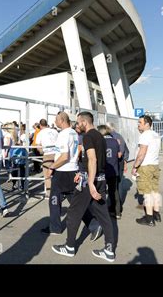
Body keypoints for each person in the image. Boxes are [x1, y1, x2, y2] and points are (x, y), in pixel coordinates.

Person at [52, 112, 115, 262]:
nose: (76, 125)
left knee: (73, 212)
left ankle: (69, 247)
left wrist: (90, 182)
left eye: (78, 122)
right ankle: (109, 250)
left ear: (84, 122)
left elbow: (92, 160)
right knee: (104, 216)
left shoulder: (88, 136)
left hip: (90, 182)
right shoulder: (101, 136)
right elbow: (94, 161)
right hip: (99, 179)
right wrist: (82, 173)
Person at [132, 115, 161, 226]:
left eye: (140, 122)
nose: (138, 125)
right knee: (155, 191)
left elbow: (142, 153)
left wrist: (135, 166)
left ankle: (149, 218)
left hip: (145, 166)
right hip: (155, 165)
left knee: (147, 193)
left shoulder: (145, 135)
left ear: (147, 124)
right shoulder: (155, 135)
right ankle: (156, 214)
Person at [98, 125, 122, 219]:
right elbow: (119, 154)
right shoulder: (115, 141)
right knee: (114, 192)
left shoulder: (101, 141)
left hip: (103, 170)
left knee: (102, 191)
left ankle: (102, 212)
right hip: (114, 170)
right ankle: (117, 212)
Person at [35, 119, 58, 199]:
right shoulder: (54, 131)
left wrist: (41, 152)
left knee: (47, 175)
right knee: (57, 174)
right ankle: (59, 192)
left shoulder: (40, 133)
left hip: (47, 154)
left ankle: (49, 193)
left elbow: (38, 146)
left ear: (40, 125)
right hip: (57, 153)